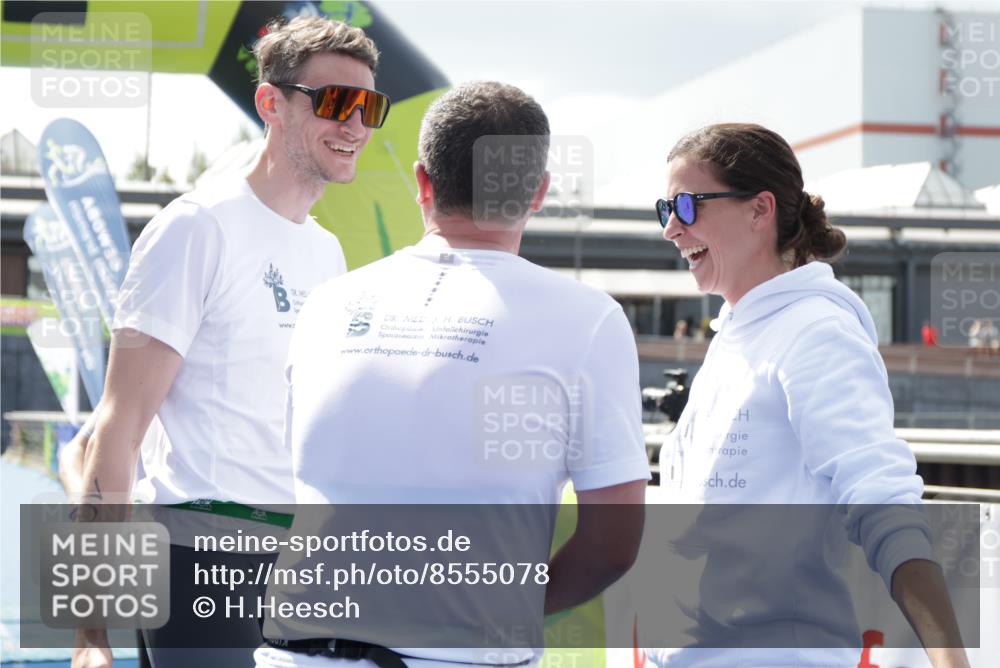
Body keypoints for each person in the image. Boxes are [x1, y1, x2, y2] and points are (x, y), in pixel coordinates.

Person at [254, 81, 650, 668]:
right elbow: (613, 545)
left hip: (294, 648)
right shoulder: (588, 320)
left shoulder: (328, 304)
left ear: (421, 182)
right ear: (537, 193)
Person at [68, 15, 389, 668]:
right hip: (195, 561)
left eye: (371, 106)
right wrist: (90, 634)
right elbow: (118, 426)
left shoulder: (326, 251)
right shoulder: (197, 228)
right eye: (336, 102)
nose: (356, 125)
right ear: (271, 103)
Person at [647, 123, 968, 667]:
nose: (671, 228)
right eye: (664, 208)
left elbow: (883, 502)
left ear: (759, 209)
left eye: (687, 204)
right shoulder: (740, 331)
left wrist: (951, 662)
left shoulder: (816, 333)